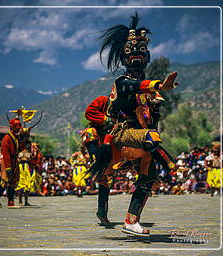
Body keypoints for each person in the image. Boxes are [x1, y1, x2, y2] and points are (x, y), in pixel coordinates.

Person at [84, 12, 178, 236]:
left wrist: (154, 105)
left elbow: (150, 120)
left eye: (141, 52)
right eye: (131, 53)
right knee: (151, 138)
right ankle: (167, 162)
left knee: (149, 177)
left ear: (147, 57)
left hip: (140, 135)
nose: (137, 56)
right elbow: (133, 87)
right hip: (122, 133)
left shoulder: (147, 94)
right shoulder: (123, 82)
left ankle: (130, 220)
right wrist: (158, 85)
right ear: (124, 58)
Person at [0, 118, 21, 208]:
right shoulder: (6, 139)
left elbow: (17, 150)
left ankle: (11, 202)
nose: (19, 128)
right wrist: (8, 167)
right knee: (5, 182)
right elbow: (6, 154)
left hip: (15, 161)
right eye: (17, 126)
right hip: (7, 162)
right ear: (12, 127)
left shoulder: (16, 137)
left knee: (13, 182)